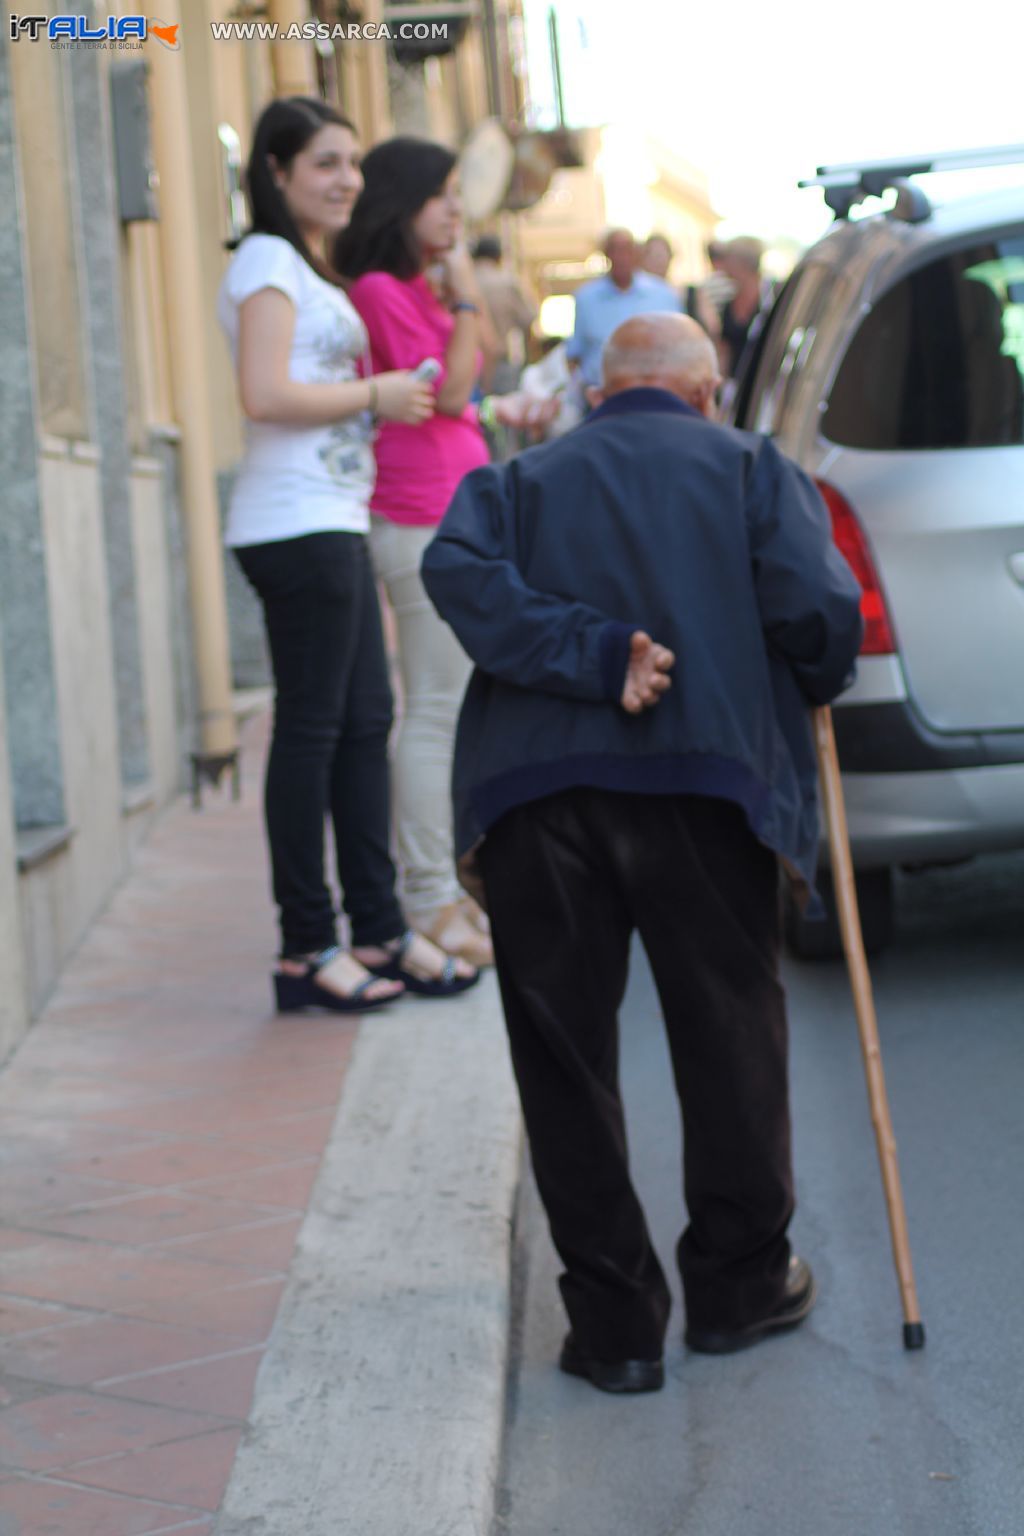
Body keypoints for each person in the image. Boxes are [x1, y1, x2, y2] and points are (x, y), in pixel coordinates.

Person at [421, 313, 863, 1393]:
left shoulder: (517, 483)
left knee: (565, 1058)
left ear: (596, 393)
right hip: (704, 786)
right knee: (728, 1034)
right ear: (707, 391)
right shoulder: (753, 468)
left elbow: (453, 572)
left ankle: (615, 1328)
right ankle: (738, 1285)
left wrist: (582, 650)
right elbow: (821, 617)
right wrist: (803, 666)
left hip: (533, 798)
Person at [218, 97, 479, 1012]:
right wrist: (378, 391)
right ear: (277, 172)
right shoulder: (264, 260)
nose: (348, 181)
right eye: (325, 163)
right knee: (315, 732)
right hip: (293, 524)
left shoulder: (308, 267)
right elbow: (262, 392)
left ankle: (377, 929)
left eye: (354, 164)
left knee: (367, 724)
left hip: (334, 517)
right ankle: (305, 948)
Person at [336, 137, 551, 968]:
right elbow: (453, 391)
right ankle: (429, 896)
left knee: (454, 705)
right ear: (401, 202)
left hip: (454, 511)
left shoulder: (418, 288)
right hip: (417, 514)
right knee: (432, 707)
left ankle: (453, 889)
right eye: (442, 196)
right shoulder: (381, 290)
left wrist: (462, 299)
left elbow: (479, 371)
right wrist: (463, 299)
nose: (458, 211)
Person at [565, 228, 678, 390]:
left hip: (655, 394)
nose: (621, 257)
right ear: (606, 254)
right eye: (615, 250)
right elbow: (575, 354)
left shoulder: (663, 294)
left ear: (637, 254)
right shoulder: (586, 298)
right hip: (602, 395)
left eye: (627, 250)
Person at [471, 234, 537, 395]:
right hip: (500, 363)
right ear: (498, 257)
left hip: (466, 362)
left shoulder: (463, 282)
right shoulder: (507, 282)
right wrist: (529, 361)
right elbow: (527, 320)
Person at [718, 235, 774, 379]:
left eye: (727, 259)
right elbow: (725, 347)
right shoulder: (727, 300)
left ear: (741, 263)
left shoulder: (771, 297)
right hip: (734, 386)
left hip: (760, 383)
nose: (723, 265)